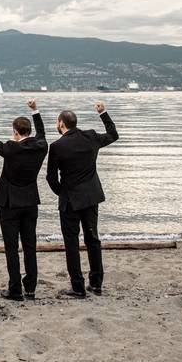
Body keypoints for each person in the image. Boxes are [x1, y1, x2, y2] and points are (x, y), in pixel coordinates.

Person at [46, 101, 119, 298]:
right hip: (91, 196)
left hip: (70, 200)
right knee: (92, 239)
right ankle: (96, 283)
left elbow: (51, 178)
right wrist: (103, 113)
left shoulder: (57, 146)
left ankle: (77, 287)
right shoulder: (91, 137)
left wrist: (62, 192)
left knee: (71, 243)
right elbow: (113, 134)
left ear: (61, 123)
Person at [0, 98, 47, 301]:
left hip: (9, 203)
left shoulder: (10, 148)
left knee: (11, 248)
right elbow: (42, 133)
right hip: (30, 202)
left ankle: (15, 289)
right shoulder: (41, 146)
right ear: (28, 131)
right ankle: (31, 288)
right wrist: (35, 110)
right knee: (30, 246)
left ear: (16, 132)